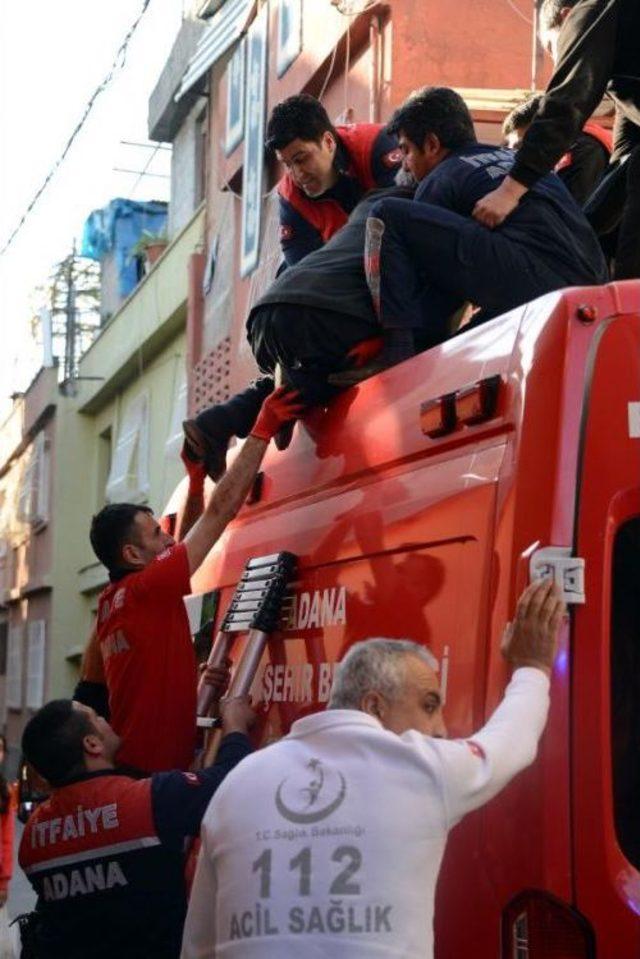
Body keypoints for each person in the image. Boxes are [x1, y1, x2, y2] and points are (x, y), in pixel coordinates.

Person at [181, 579, 565, 958]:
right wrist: (532, 667)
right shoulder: (417, 768)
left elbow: (200, 948)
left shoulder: (238, 783)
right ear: (374, 707)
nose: (441, 729)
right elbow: (510, 742)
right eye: (430, 705)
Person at [86, 387, 302, 774]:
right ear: (132, 556)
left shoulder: (113, 599)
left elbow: (180, 547)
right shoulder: (146, 590)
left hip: (136, 769)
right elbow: (220, 514)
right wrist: (262, 430)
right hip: (155, 777)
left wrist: (197, 481)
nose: (167, 539)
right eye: (155, 534)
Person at [334, 87, 608, 382]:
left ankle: (396, 352)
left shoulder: (441, 179)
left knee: (384, 214)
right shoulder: (523, 165)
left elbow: (437, 289)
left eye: (407, 150)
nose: (404, 164)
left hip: (536, 284)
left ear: (431, 144)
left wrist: (407, 340)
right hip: (593, 290)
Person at [183, 184, 445, 478]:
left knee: (326, 375)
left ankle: (220, 421)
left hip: (266, 316)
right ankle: (292, 393)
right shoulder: (417, 216)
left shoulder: (365, 209)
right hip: (320, 314)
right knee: (385, 354)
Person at [18, 692, 255, 959]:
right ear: (92, 744)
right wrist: (235, 725)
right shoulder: (147, 801)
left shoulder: (33, 837)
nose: (106, 719)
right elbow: (232, 781)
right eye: (96, 717)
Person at [473, 0, 640, 280]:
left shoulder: (593, 9)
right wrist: (581, 234)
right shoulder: (629, 81)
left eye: (554, 49)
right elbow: (622, 159)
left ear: (566, 17)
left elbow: (568, 99)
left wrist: (509, 192)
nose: (561, 62)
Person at [267, 94, 402, 266]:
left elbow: (405, 210)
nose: (297, 175)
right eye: (287, 164)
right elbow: (301, 268)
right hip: (349, 273)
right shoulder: (291, 197)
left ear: (329, 142)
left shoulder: (376, 145)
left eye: (301, 159)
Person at [503, 94, 612, 204]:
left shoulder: (583, 150)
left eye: (521, 147)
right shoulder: (577, 146)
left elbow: (568, 209)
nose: (515, 157)